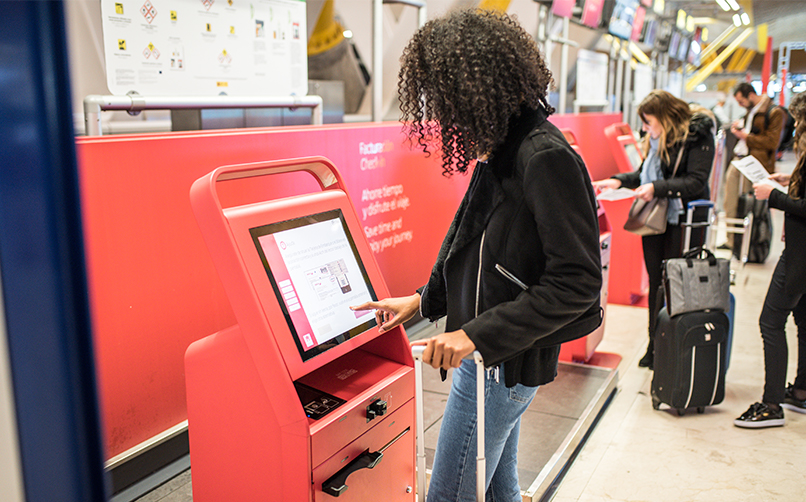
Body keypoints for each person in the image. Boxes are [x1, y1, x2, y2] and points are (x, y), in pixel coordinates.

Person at [351, 10, 602, 501]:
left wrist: (474, 336)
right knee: (496, 489)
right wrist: (424, 303)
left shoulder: (542, 157)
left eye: (444, 99)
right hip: (486, 356)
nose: (441, 115)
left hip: (501, 364)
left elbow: (577, 282)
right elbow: (469, 245)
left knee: (448, 495)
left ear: (474, 89)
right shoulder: (503, 150)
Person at [593, 90, 715, 369]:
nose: (646, 128)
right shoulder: (657, 138)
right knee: (656, 283)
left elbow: (696, 181)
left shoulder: (697, 135)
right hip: (657, 221)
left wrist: (657, 188)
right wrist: (618, 181)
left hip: (683, 221)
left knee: (676, 285)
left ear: (666, 116)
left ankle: (676, 346)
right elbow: (643, 174)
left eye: (649, 121)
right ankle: (655, 343)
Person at [734, 91, 806, 428]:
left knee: (770, 321)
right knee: (802, 321)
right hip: (799, 248)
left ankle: (771, 403)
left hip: (800, 256)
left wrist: (775, 197)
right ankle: (801, 391)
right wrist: (790, 182)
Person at [722, 83, 785, 249]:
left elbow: (772, 142)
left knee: (752, 207)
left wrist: (745, 136)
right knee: (730, 203)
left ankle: (750, 245)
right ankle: (731, 241)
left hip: (757, 165)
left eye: (741, 101)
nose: (740, 105)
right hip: (739, 160)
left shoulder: (774, 112)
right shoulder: (750, 112)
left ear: (750, 95)